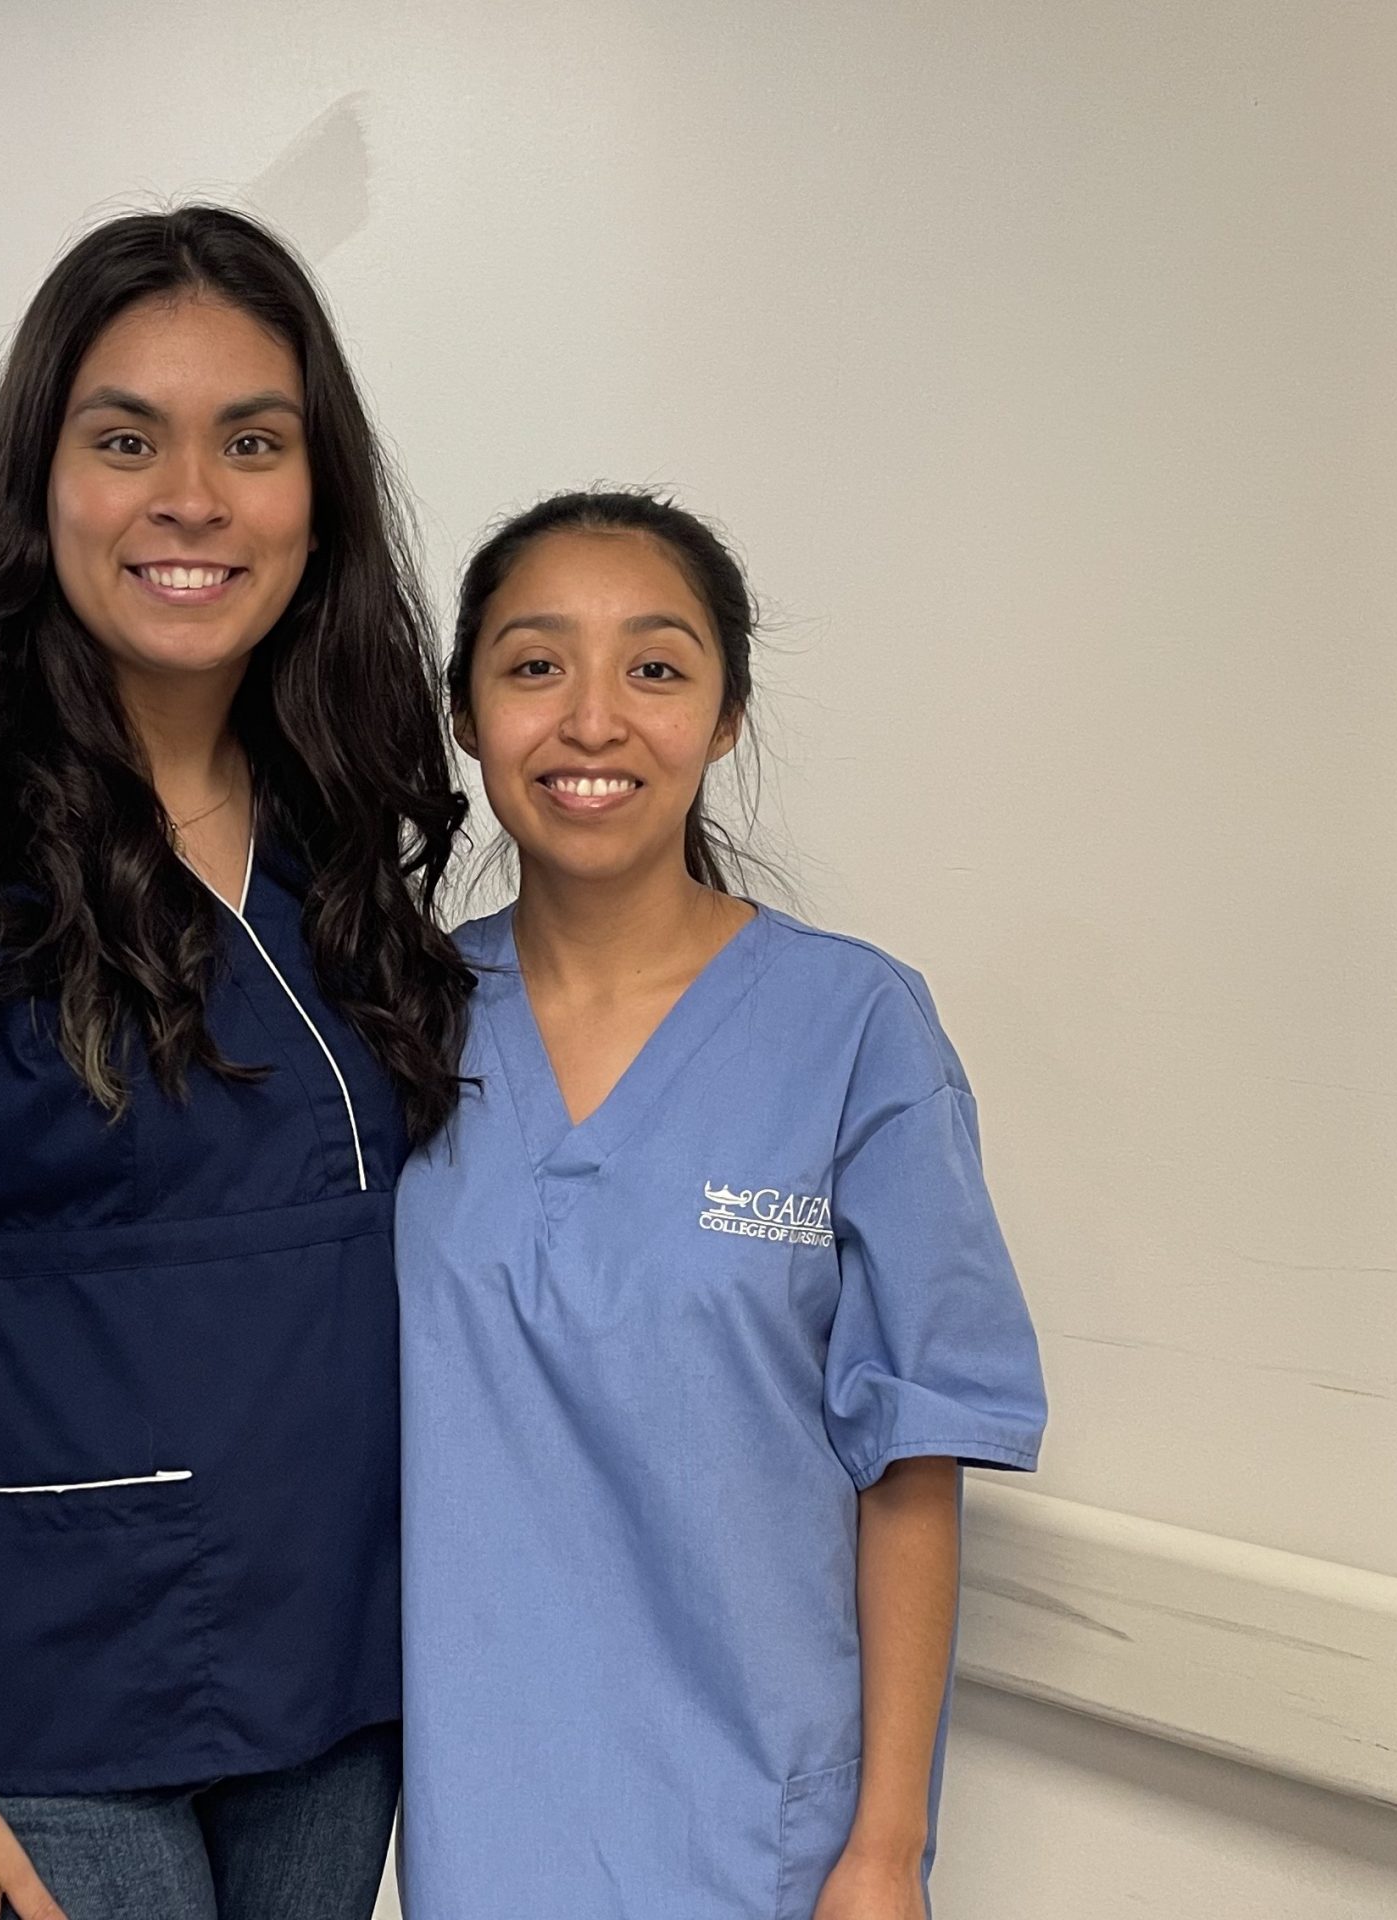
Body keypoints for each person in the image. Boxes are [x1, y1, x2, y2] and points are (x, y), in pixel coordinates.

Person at [0, 206, 472, 1920]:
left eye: (252, 443)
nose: (189, 497)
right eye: (125, 437)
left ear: (317, 497)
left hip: (328, 1685)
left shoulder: (341, 844)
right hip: (26, 1710)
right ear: (42, 481)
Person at [396, 490, 1047, 1919]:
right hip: (476, 1810)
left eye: (656, 666)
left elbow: (912, 1461)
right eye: (533, 664)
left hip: (762, 1827)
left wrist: (888, 1850)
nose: (592, 719)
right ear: (466, 713)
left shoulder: (853, 1029)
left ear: (727, 713)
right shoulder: (397, 1023)